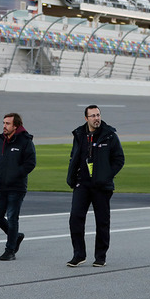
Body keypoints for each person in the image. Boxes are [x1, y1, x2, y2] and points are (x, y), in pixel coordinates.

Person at [65, 104, 124, 268]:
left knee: (102, 221)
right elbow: (74, 155)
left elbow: (119, 159)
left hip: (101, 186)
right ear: (86, 118)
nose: (96, 118)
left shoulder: (109, 135)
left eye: (98, 115)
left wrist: (106, 175)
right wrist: (73, 176)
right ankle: (78, 254)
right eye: (93, 116)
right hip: (82, 183)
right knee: (75, 218)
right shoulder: (79, 134)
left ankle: (100, 256)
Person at [0, 113, 36, 261]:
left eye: (8, 123)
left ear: (15, 126)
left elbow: (30, 163)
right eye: (3, 123)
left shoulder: (25, 140)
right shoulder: (1, 139)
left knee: (12, 217)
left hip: (16, 187)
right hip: (1, 185)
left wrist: (15, 175)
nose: (4, 126)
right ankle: (15, 236)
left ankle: (10, 250)